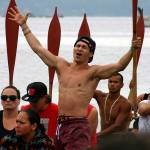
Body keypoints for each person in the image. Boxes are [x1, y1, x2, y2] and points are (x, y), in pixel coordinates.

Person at [8, 7, 141, 150]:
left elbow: (119, 66)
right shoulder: (61, 65)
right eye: (77, 46)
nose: (79, 49)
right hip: (60, 125)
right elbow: (38, 49)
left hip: (77, 125)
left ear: (90, 54)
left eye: (84, 47)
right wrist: (24, 26)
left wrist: (132, 50)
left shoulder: (93, 72)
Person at [93, 73, 132, 140]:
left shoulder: (125, 103)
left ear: (122, 85)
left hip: (117, 140)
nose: (112, 84)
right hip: (102, 137)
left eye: (116, 82)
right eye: (110, 81)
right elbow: (84, 90)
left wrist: (96, 135)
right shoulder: (100, 96)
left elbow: (117, 126)